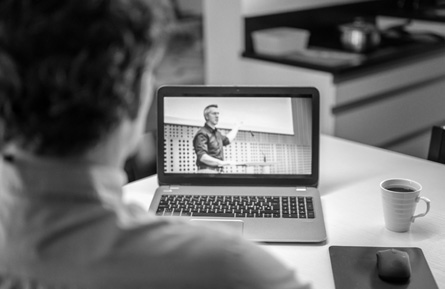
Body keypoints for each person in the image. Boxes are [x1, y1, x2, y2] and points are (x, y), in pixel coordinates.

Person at [0, 0, 310, 288]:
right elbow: (205, 158)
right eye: (149, 73)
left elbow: (227, 140)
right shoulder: (229, 267)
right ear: (133, 98)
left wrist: (238, 128)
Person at [193, 104, 241, 173]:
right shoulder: (202, 133)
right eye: (214, 113)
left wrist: (237, 126)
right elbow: (202, 157)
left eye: (218, 114)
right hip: (206, 172)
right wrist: (222, 162)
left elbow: (227, 140)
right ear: (207, 116)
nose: (217, 116)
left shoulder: (217, 133)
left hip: (218, 171)